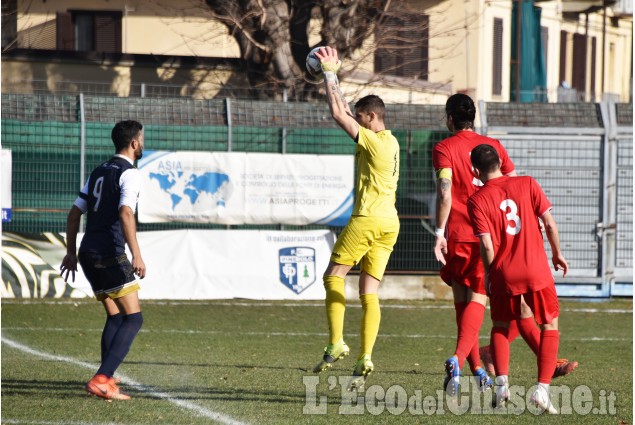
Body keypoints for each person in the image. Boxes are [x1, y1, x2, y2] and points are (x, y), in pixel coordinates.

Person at [432, 94, 577, 396]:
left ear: (449, 118)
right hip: (493, 237)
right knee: (502, 308)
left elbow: (445, 193)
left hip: (461, 234)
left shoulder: (444, 148)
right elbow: (509, 181)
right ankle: (471, 363)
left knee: (471, 305)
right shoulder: (494, 146)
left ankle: (477, 366)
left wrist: (439, 231)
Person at [310, 46, 400, 391]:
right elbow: (346, 109)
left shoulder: (373, 142)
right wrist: (337, 85)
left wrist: (329, 72)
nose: (355, 120)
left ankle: (336, 343)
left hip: (367, 219)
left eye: (360, 118)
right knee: (369, 292)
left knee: (333, 276)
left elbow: (338, 114)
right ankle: (366, 357)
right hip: (389, 224)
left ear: (371, 118)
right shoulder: (389, 140)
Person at [468, 144, 568, 413]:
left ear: (475, 171)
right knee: (549, 325)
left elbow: (487, 245)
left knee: (500, 325)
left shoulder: (476, 200)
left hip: (504, 273)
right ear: (501, 161)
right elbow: (549, 223)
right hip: (536, 270)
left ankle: (502, 387)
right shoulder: (527, 183)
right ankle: (542, 391)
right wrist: (557, 254)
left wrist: (489, 275)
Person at [60, 120, 146, 401]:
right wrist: (136, 254)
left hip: (87, 253)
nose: (142, 143)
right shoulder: (130, 173)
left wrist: (71, 252)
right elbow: (125, 212)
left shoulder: (98, 170)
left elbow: (74, 214)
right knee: (134, 318)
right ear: (134, 143)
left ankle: (106, 377)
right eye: (141, 139)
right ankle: (102, 378)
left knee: (115, 315)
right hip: (110, 252)